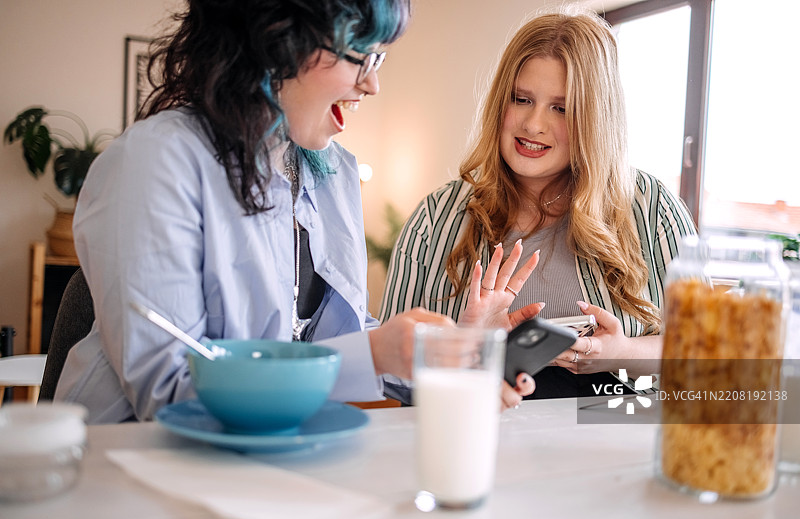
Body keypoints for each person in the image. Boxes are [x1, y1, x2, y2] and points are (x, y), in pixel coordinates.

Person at [55, 0, 533, 423]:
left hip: (274, 454)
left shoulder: (331, 170)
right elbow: (171, 393)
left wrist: (452, 353)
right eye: (359, 53)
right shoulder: (155, 161)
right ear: (277, 40)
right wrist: (373, 353)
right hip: (130, 467)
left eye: (378, 56)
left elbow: (335, 337)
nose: (373, 83)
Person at [379, 7, 697, 399]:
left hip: (617, 443)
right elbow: (390, 379)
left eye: (560, 108)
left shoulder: (652, 208)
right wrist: (468, 348)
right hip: (480, 445)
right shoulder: (437, 218)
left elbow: (711, 356)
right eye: (521, 99)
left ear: (595, 120)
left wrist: (621, 353)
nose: (533, 124)